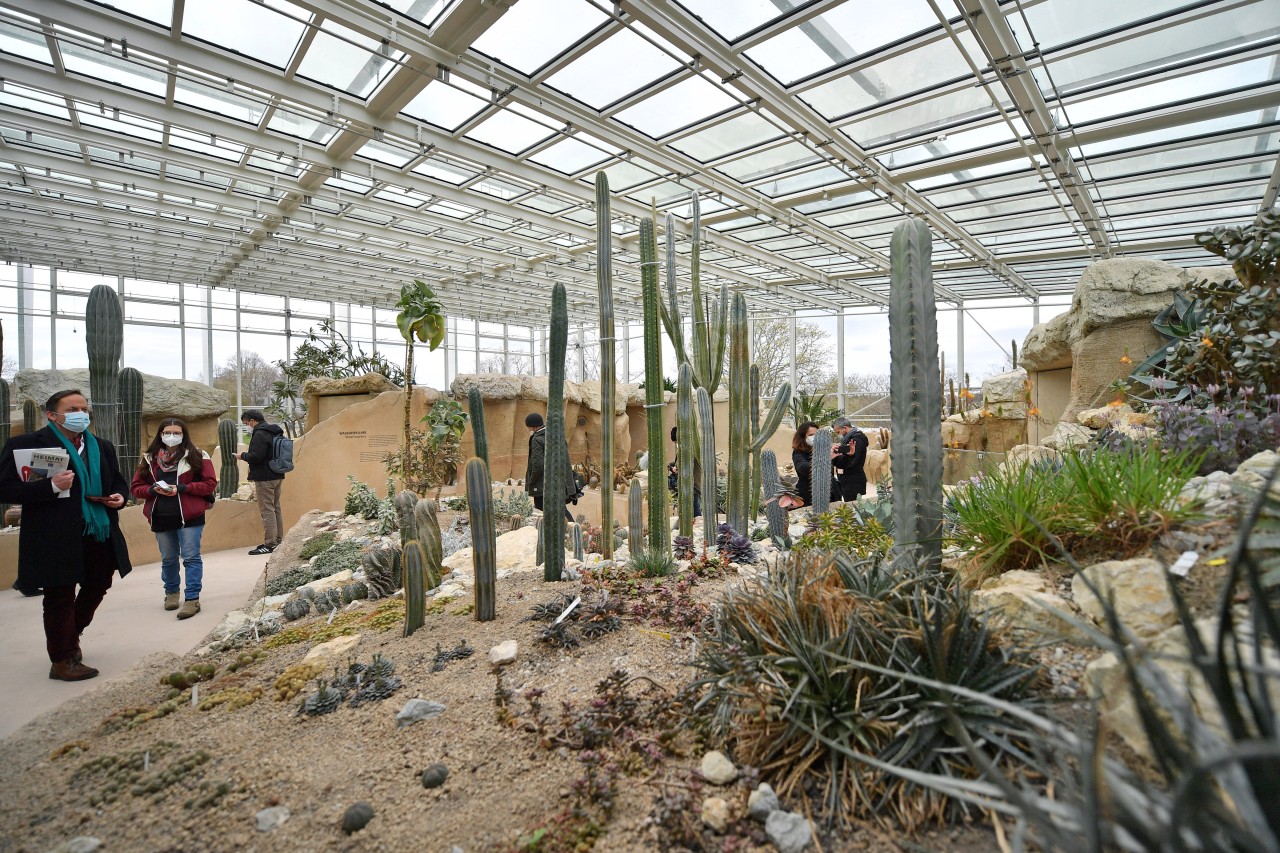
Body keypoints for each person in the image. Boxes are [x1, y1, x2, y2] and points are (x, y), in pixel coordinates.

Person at [0, 389, 132, 681]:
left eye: (84, 408)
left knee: (99, 584)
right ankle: (62, 660)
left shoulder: (102, 446)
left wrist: (119, 497)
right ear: (52, 415)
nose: (80, 414)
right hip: (54, 536)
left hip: (98, 531)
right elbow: (5, 489)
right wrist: (50, 486)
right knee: (59, 595)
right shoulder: (28, 445)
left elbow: (120, 484)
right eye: (72, 409)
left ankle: (70, 636)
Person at [130, 418, 218, 620]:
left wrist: (182, 488)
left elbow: (209, 484)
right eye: (167, 432)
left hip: (190, 516)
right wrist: (152, 489)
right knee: (168, 559)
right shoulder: (148, 459)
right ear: (160, 435)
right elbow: (136, 488)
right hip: (161, 516)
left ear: (183, 434)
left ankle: (192, 598)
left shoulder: (197, 456)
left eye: (176, 432)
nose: (172, 436)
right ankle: (171, 593)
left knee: (191, 557)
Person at [238, 409, 286, 555]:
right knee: (275, 508)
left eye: (247, 423)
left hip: (264, 477)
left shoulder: (260, 433)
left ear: (252, 421)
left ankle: (270, 544)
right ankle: (277, 541)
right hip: (277, 474)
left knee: (267, 511)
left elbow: (257, 456)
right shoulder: (274, 431)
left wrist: (242, 456)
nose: (247, 426)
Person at [523, 412, 575, 523]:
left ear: (533, 426)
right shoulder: (556, 435)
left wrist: (531, 481)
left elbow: (537, 465)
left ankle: (563, 532)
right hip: (559, 481)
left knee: (542, 510)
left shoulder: (537, 439)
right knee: (560, 508)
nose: (528, 429)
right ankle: (574, 530)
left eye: (528, 426)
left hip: (542, 484)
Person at [667, 425, 702, 518]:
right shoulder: (692, 445)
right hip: (694, 481)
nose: (676, 444)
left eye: (676, 442)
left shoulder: (686, 448)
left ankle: (699, 525)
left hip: (692, 483)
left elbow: (679, 467)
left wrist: (673, 468)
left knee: (695, 508)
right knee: (693, 505)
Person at [831, 417, 869, 502]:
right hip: (848, 480)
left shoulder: (855, 440)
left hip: (853, 481)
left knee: (853, 507)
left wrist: (834, 458)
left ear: (844, 428)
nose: (838, 434)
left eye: (838, 432)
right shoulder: (848, 440)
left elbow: (851, 461)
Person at [789, 421, 820, 511]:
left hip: (828, 493)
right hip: (808, 494)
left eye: (817, 435)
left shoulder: (825, 450)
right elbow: (802, 467)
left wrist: (849, 455)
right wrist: (822, 460)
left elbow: (841, 463)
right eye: (811, 435)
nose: (815, 438)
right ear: (802, 437)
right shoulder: (798, 452)